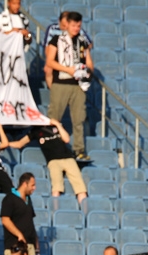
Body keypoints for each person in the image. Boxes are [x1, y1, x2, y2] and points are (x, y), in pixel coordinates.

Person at [2, 118, 87, 203]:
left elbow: (67, 139)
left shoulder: (56, 126)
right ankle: (55, 212)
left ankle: (84, 211)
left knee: (81, 188)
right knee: (56, 188)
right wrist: (6, 144)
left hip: (69, 159)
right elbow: (20, 143)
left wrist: (58, 125)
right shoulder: (36, 130)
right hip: (53, 161)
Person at [45, 11, 93, 161]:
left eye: (78, 26)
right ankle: (51, 148)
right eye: (73, 25)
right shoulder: (56, 39)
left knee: (79, 118)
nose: (76, 28)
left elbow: (89, 60)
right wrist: (68, 70)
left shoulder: (82, 41)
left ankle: (79, 149)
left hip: (78, 85)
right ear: (67, 25)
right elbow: (50, 62)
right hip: (61, 83)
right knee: (54, 117)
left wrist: (88, 71)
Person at [42, 12, 93, 88]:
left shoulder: (78, 30)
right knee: (48, 68)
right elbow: (47, 46)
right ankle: (52, 89)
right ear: (59, 21)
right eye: (63, 25)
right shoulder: (52, 29)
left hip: (74, 57)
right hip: (56, 56)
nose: (65, 27)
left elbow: (89, 44)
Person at [0, 172, 38, 255]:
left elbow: (30, 221)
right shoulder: (9, 199)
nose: (34, 188)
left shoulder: (28, 199)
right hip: (15, 247)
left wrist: (36, 242)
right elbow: (5, 219)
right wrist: (19, 235)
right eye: (32, 185)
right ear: (25, 184)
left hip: (29, 246)